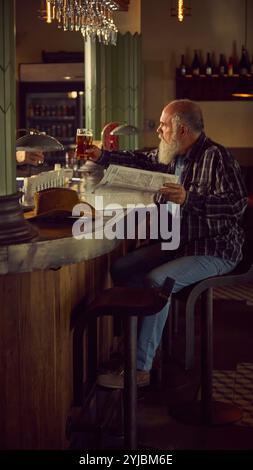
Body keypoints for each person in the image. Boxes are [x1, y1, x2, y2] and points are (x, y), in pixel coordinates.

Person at [86, 99, 248, 388]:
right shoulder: (174, 155)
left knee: (158, 280)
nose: (158, 130)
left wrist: (189, 199)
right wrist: (101, 156)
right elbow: (141, 160)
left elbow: (236, 207)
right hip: (182, 243)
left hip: (217, 248)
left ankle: (140, 368)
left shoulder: (217, 156)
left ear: (181, 129)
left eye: (163, 125)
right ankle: (145, 342)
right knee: (123, 268)